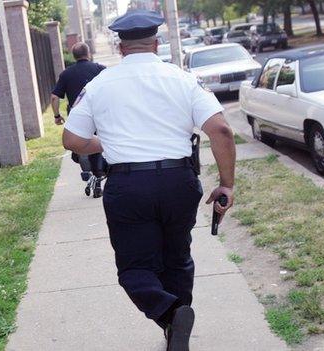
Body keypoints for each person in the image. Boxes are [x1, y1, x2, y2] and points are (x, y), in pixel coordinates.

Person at [62, 10, 236, 351]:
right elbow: (222, 130)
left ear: (120, 46)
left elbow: (72, 140)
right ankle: (176, 323)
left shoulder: (98, 84)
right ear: (155, 43)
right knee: (177, 259)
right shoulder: (183, 79)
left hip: (129, 186)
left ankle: (170, 314)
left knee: (135, 268)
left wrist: (105, 143)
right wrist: (226, 184)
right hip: (179, 181)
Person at [51, 43, 106, 197]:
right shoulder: (100, 70)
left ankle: (91, 174)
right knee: (97, 147)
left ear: (73, 55)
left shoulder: (66, 74)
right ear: (88, 53)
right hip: (99, 114)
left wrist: (57, 116)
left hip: (78, 117)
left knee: (80, 148)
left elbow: (55, 97)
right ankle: (97, 176)